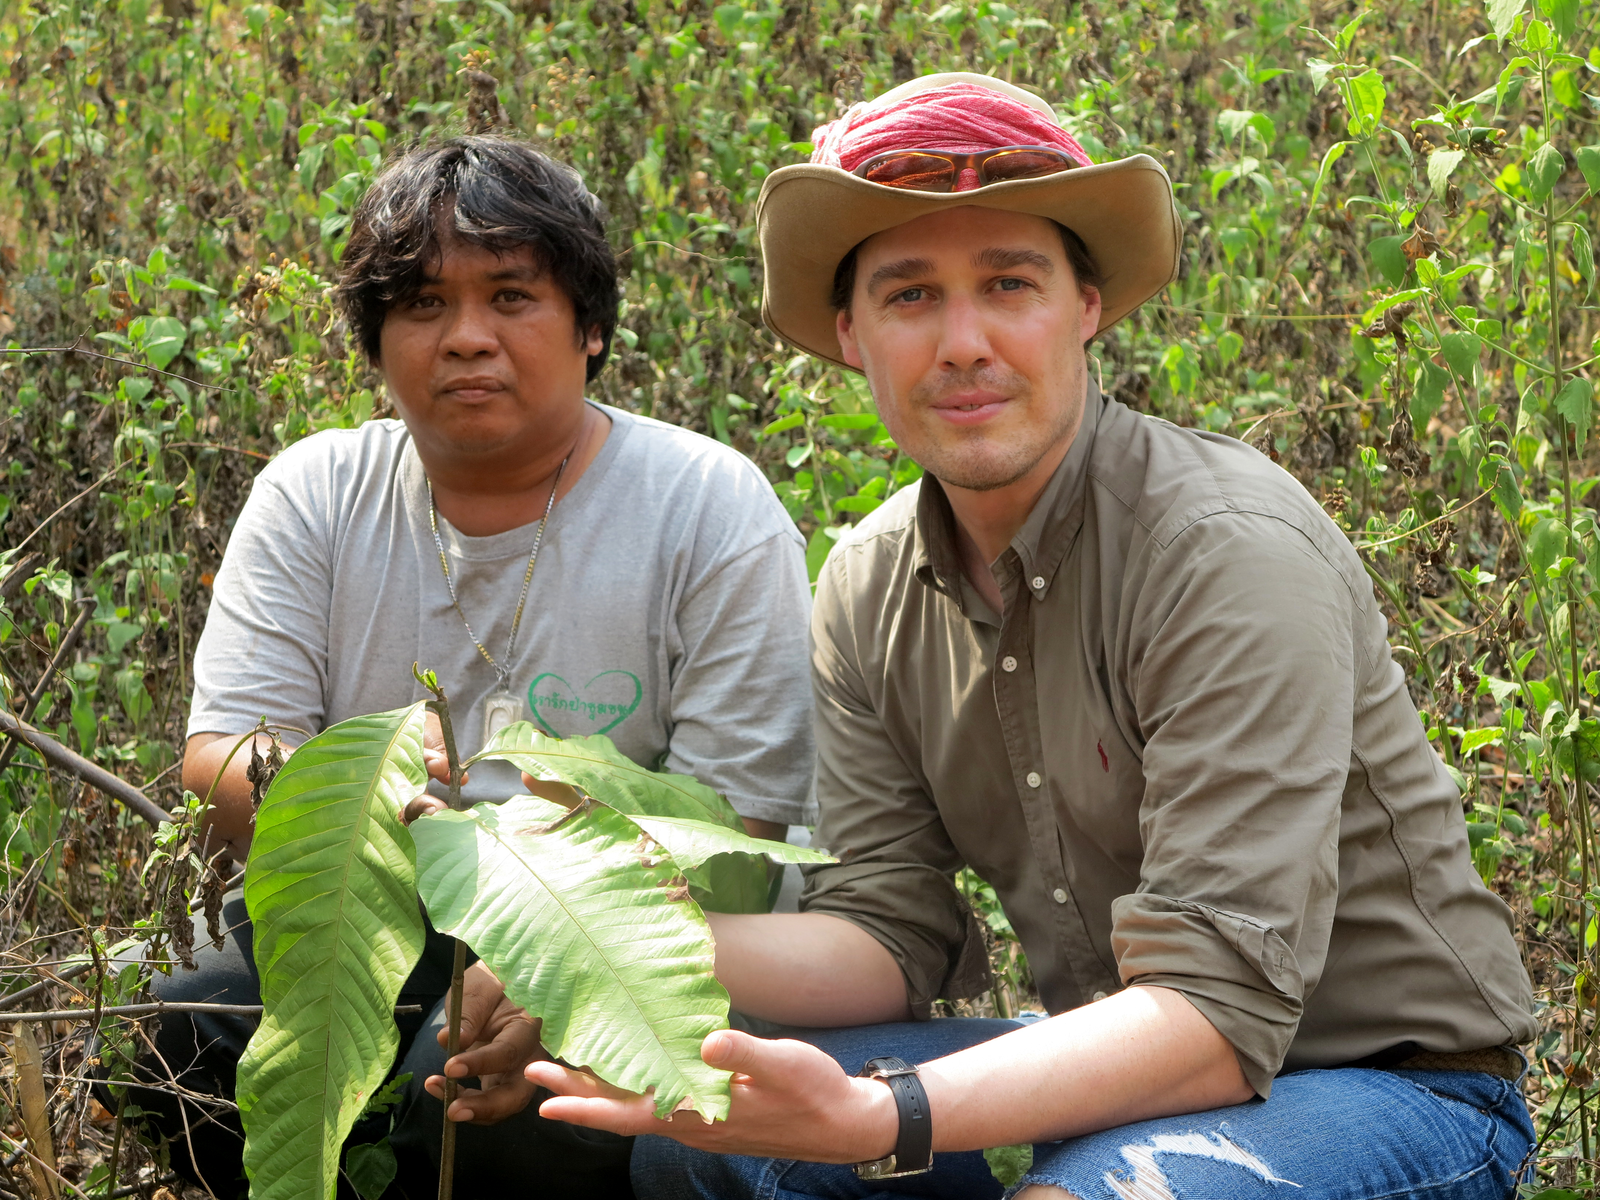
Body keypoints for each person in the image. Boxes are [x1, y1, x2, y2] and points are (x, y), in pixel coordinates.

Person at [448, 74, 1539, 1199]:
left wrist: (885, 1115)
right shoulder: (872, 585)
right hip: (1121, 1063)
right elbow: (883, 935)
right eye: (910, 295)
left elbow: (1216, 1009)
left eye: (1009, 284)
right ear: (850, 334)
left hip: (1384, 1085)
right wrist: (590, 939)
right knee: (705, 1150)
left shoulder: (1219, 547)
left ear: (1086, 307)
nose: (963, 343)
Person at [137, 136, 813, 1200]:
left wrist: (557, 944)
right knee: (181, 1028)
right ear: (374, 341)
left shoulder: (706, 506)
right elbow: (224, 749)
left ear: (590, 328)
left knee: (487, 1108)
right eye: (419, 306)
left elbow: (741, 826)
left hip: (617, 912)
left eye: (511, 297)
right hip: (359, 891)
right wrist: (379, 796)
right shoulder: (314, 492)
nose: (464, 340)